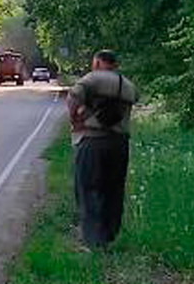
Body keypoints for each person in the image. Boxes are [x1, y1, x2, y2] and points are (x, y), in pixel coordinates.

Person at [67, 49, 139, 248]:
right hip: (120, 143)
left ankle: (93, 241)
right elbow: (134, 100)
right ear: (115, 64)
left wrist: (75, 120)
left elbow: (73, 97)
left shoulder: (93, 78)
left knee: (89, 188)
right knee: (114, 190)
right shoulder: (128, 85)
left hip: (93, 142)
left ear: (98, 62)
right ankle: (109, 236)